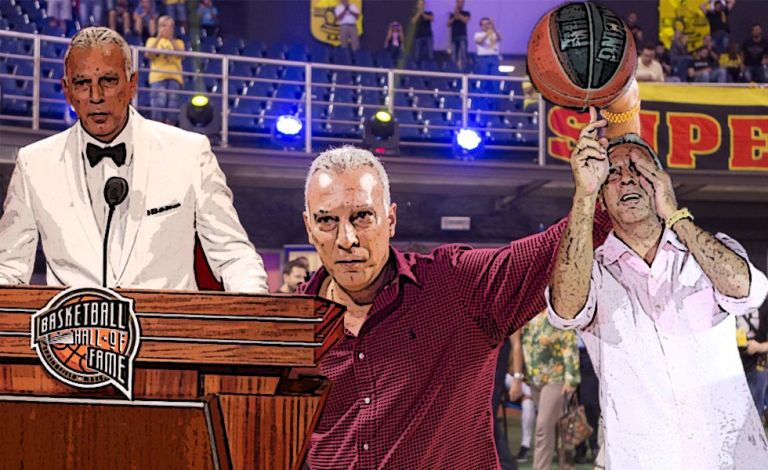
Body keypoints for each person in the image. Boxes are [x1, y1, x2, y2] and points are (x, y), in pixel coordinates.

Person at [296, 145, 611, 468]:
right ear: (309, 227)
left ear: (390, 219)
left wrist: (592, 196)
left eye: (362, 216)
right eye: (327, 220)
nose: (346, 239)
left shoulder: (454, 287)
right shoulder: (290, 325)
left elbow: (548, 252)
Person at [547, 108, 768, 468]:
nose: (627, 179)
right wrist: (584, 196)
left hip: (733, 458)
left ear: (661, 180)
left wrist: (674, 214)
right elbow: (565, 312)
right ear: (602, 196)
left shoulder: (708, 250)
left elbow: (748, 291)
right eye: (612, 174)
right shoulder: (595, 272)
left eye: (639, 169)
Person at [0, 27, 268, 293]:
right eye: (82, 83)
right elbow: (8, 267)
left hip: (168, 321)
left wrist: (255, 309)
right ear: (67, 91)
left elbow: (233, 255)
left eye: (108, 80)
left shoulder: (189, 153)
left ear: (132, 85)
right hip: (73, 322)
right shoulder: (34, 164)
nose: (96, 96)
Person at [522, 310, 580, 470]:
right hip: (535, 380)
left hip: (557, 378)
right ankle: (567, 465)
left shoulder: (557, 313)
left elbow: (569, 342)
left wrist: (571, 378)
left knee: (543, 427)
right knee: (558, 426)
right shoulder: (529, 315)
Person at [145, 16, 185, 125]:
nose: (167, 29)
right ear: (159, 28)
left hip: (175, 78)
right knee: (158, 106)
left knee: (173, 108)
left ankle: (169, 132)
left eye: (170, 26)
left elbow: (182, 55)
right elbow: (148, 54)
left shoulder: (179, 42)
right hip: (158, 78)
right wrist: (158, 38)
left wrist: (171, 40)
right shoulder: (151, 41)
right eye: (164, 26)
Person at [739, 308, 768, 416]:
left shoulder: (765, 303)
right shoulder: (723, 302)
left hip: (756, 367)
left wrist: (759, 347)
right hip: (730, 367)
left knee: (754, 413)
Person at [448, 0, 471, 71]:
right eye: (459, 2)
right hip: (454, 37)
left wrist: (458, 14)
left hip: (462, 36)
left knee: (463, 54)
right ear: (456, 3)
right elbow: (448, 24)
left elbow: (466, 21)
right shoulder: (452, 14)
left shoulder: (466, 13)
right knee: (453, 55)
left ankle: (464, 71)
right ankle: (454, 71)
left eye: (462, 2)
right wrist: (454, 16)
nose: (460, 4)